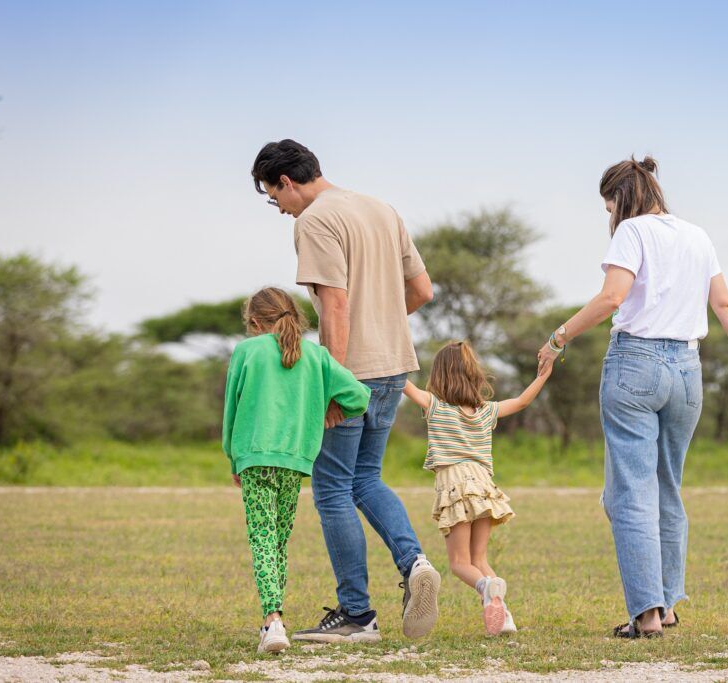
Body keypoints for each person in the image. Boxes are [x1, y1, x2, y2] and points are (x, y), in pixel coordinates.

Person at [537, 156, 728, 638]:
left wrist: (559, 337)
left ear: (622, 197)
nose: (609, 217)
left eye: (608, 206)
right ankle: (665, 607)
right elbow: (723, 303)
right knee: (666, 487)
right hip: (688, 370)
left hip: (635, 365)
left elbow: (611, 298)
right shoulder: (697, 235)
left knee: (629, 492)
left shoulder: (632, 231)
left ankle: (645, 614)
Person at [250, 139, 442, 642]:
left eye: (275, 198)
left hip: (351, 372)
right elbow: (422, 291)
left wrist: (333, 386)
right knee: (365, 479)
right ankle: (414, 561)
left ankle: (357, 615)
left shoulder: (313, 221)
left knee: (332, 487)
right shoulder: (382, 209)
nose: (280, 210)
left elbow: (333, 306)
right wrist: (380, 324)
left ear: (286, 182)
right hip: (394, 367)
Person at [222, 287, 370, 653]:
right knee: (277, 541)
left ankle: (273, 621)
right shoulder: (316, 355)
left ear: (255, 323)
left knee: (262, 538)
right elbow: (359, 397)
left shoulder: (245, 351)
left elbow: (231, 408)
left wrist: (232, 456)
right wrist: (329, 409)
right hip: (296, 461)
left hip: (255, 457)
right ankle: (274, 622)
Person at [403, 341, 551, 635]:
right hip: (483, 487)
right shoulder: (486, 411)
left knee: (460, 564)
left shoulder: (435, 405)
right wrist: (543, 375)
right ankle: (505, 616)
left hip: (456, 487)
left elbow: (403, 384)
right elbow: (521, 401)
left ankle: (484, 587)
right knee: (480, 559)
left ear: (440, 375)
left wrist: (386, 358)